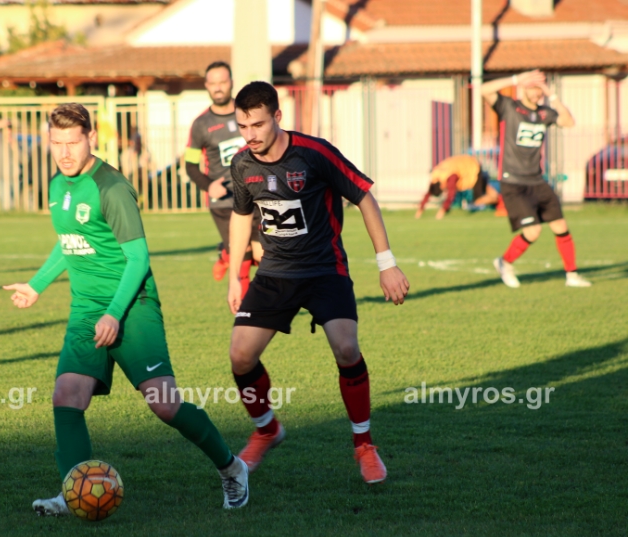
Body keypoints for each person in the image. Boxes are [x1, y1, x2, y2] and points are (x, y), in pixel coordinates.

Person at [2, 103, 249, 514]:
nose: (64, 152)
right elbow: (70, 241)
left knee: (164, 403)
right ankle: (74, 490)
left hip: (132, 304)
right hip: (87, 308)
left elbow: (138, 259)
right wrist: (36, 285)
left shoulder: (112, 188)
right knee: (67, 396)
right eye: (57, 143)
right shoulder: (57, 185)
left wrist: (114, 313)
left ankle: (231, 467)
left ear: (90, 139)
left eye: (73, 142)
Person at [226, 82, 409, 484]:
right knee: (240, 356)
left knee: (346, 348)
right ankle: (267, 430)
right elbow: (241, 214)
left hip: (325, 269)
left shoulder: (314, 153)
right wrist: (237, 276)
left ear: (277, 117)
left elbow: (364, 197)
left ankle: (364, 444)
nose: (250, 135)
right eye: (243, 126)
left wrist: (387, 264)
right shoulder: (241, 164)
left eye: (258, 124)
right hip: (274, 272)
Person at [483, 69, 591, 288]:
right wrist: (515, 79)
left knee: (560, 225)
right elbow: (484, 90)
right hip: (513, 182)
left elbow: (568, 122)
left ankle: (572, 275)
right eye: (533, 88)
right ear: (524, 88)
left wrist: (551, 94)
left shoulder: (544, 113)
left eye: (539, 89)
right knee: (533, 231)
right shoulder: (509, 107)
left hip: (537, 180)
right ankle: (504, 262)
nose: (536, 93)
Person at [185, 61, 262, 296]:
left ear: (231, 83)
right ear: (207, 86)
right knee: (243, 254)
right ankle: (245, 309)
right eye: (213, 83)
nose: (218, 87)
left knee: (262, 256)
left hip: (255, 194)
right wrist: (209, 186)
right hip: (224, 200)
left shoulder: (248, 114)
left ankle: (225, 253)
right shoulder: (200, 124)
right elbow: (190, 165)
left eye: (223, 82)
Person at [415, 155, 498, 219]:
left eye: (444, 189)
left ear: (441, 185)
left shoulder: (450, 177)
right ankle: (497, 197)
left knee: (477, 200)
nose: (445, 189)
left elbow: (451, 194)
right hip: (469, 163)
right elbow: (429, 192)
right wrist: (420, 209)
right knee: (484, 189)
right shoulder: (435, 176)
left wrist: (443, 210)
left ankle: (498, 200)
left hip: (473, 168)